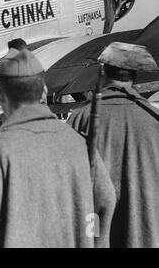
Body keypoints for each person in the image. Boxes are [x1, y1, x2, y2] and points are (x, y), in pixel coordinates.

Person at [0, 48, 116, 248]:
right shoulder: (80, 144)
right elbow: (104, 201)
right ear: (44, 92)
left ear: (2, 97)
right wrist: (91, 239)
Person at [67, 42, 159, 248]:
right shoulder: (154, 119)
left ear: (103, 72)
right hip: (145, 234)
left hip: (96, 234)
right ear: (135, 75)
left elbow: (69, 187)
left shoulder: (81, 118)